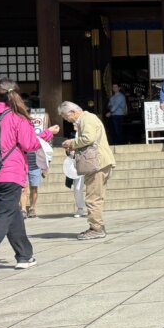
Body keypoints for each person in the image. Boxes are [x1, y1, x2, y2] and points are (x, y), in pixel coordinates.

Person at [0, 80, 59, 279]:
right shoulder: (16, 117)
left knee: (12, 213)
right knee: (4, 215)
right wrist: (46, 135)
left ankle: (25, 255)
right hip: (11, 173)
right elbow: (30, 144)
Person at [59, 101, 117, 240]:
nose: (67, 120)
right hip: (100, 162)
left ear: (72, 112)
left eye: (65, 117)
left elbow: (88, 138)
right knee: (96, 196)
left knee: (93, 198)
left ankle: (96, 228)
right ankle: (97, 226)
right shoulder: (87, 118)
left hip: (97, 163)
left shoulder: (87, 118)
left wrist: (71, 143)